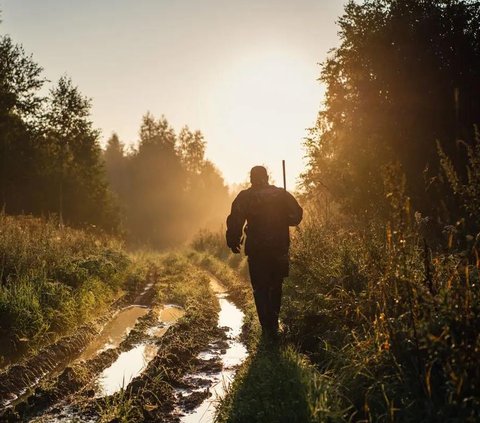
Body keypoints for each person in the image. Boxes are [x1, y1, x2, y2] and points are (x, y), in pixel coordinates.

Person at [226, 165, 303, 338]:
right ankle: (274, 324)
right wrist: (283, 216)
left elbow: (235, 220)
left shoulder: (246, 197)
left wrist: (233, 240)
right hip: (279, 248)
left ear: (251, 178)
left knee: (260, 288)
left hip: (257, 250)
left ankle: (266, 328)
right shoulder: (281, 194)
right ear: (267, 177)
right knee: (276, 286)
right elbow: (296, 217)